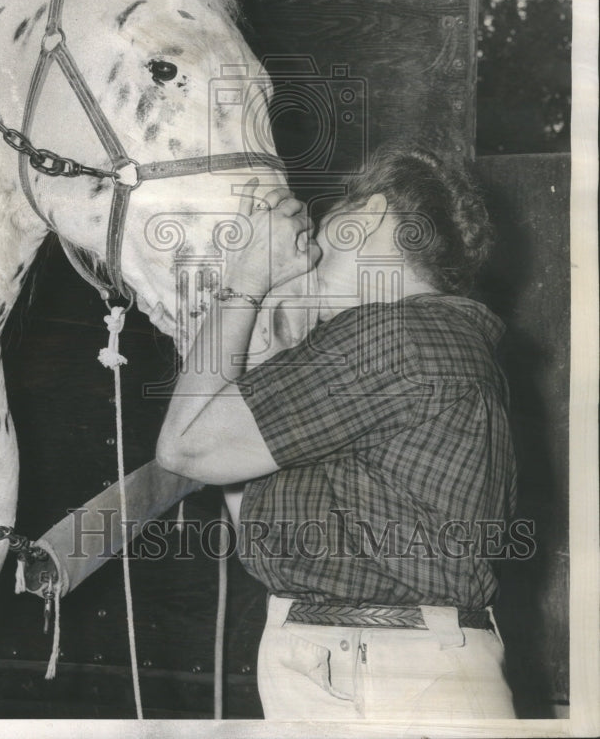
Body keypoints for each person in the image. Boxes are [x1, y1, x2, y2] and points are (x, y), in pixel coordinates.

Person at [156, 146, 518, 721]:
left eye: (327, 223)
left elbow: (183, 447)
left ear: (369, 212)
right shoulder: (414, 341)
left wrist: (247, 277)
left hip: (385, 672)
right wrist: (267, 338)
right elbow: (245, 500)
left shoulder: (396, 338)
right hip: (366, 661)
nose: (313, 248)